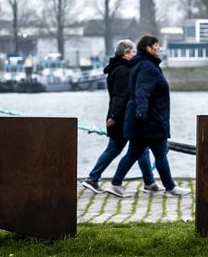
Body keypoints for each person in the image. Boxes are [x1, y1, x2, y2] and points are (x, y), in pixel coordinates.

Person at [108, 35, 187, 196]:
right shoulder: (147, 67)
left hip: (144, 120)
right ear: (148, 48)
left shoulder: (141, 64)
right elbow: (142, 93)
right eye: (156, 45)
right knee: (160, 152)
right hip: (149, 120)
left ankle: (115, 183)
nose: (159, 48)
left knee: (134, 153)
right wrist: (141, 116)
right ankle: (170, 187)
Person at [80, 39, 156, 196]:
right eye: (134, 52)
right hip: (122, 117)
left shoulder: (119, 68)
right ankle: (94, 179)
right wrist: (114, 116)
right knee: (125, 148)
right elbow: (120, 95)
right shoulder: (123, 71)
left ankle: (149, 182)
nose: (136, 55)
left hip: (121, 115)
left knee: (137, 149)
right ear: (126, 54)